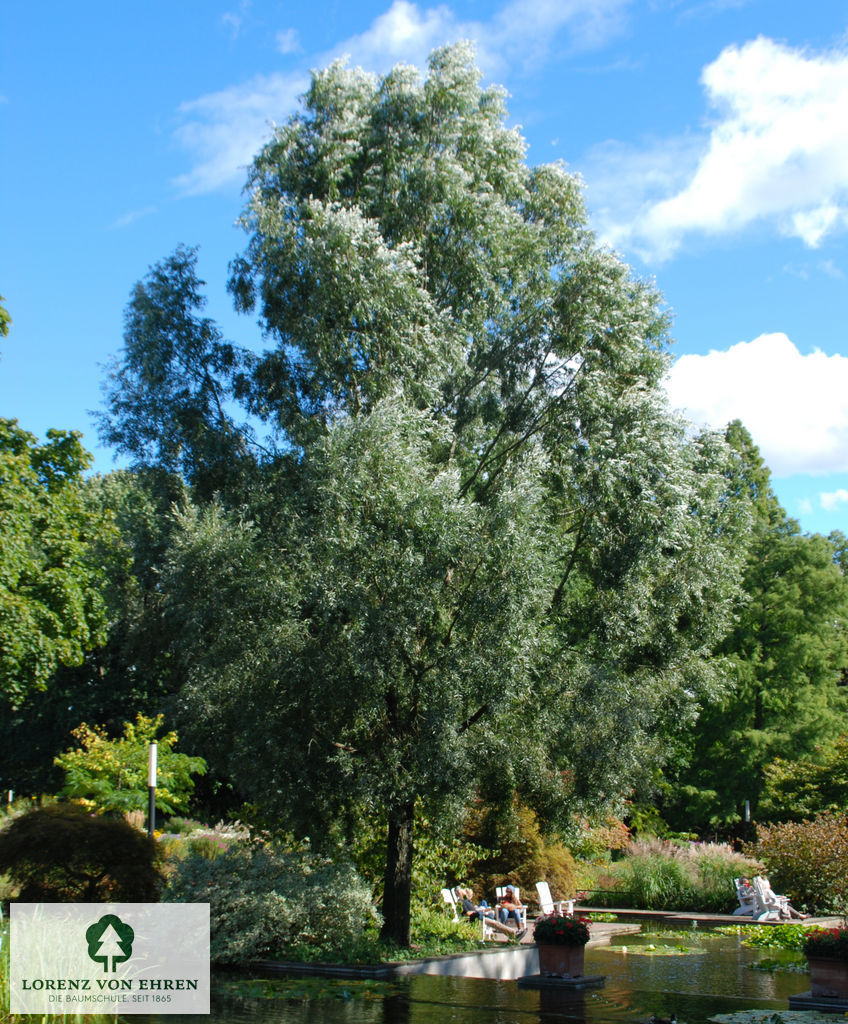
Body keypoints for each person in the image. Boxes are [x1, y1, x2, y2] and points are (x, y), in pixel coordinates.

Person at [457, 887, 526, 940]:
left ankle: (514, 934)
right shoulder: (461, 902)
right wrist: (479, 912)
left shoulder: (466, 901)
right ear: (459, 893)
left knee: (495, 922)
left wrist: (482, 910)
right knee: (496, 924)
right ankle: (514, 934)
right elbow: (468, 913)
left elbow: (472, 909)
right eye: (462, 891)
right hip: (476, 918)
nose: (464, 892)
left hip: (479, 915)